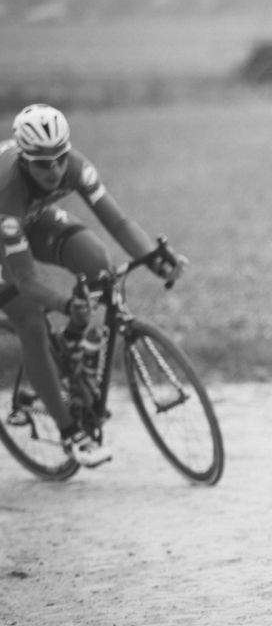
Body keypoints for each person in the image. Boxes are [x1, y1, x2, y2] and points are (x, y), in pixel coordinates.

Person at [0, 104, 187, 467]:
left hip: (31, 219)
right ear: (24, 161)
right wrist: (66, 305)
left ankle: (74, 348)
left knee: (97, 263)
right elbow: (26, 280)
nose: (54, 170)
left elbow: (118, 222)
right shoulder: (8, 195)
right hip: (5, 228)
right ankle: (71, 433)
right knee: (31, 320)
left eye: (59, 159)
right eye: (43, 164)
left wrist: (155, 259)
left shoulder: (75, 166)